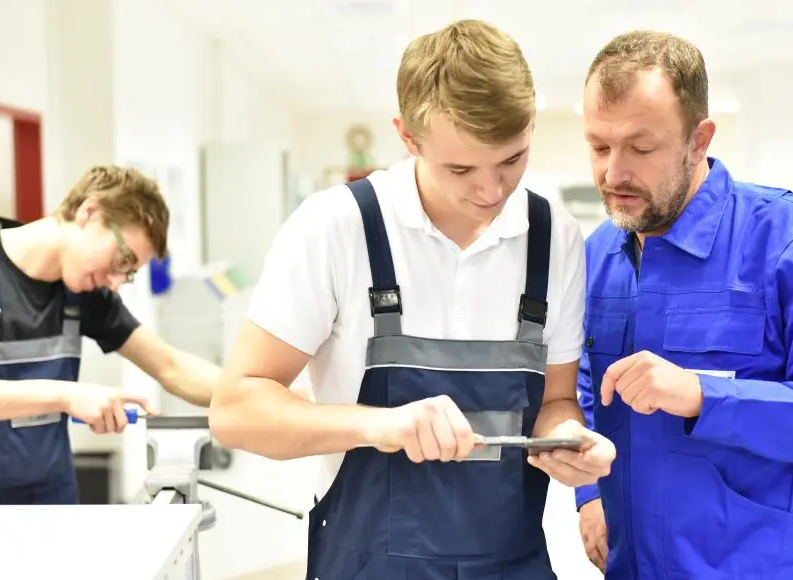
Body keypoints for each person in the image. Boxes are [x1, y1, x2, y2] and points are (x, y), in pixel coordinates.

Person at [210, 19, 615, 580]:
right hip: (368, 564)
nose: (491, 191)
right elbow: (236, 412)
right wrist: (380, 425)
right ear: (407, 137)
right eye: (460, 168)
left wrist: (566, 440)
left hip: (511, 564)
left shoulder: (556, 237)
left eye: (512, 160)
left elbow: (556, 401)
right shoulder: (337, 227)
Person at [574, 30, 793, 579]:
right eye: (599, 147)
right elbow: (579, 382)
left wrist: (702, 395)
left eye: (641, 148)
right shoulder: (597, 254)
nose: (612, 173)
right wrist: (589, 495)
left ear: (700, 140)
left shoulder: (779, 240)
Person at [0, 165, 220, 505]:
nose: (115, 283)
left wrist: (263, 390)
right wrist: (68, 396)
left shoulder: (85, 294)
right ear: (90, 212)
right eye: (121, 259)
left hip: (52, 499)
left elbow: (171, 367)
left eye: (127, 274)